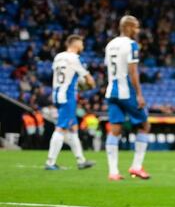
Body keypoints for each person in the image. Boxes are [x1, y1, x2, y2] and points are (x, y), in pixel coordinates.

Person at [104, 15, 151, 181]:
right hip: (126, 91)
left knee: (115, 129)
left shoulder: (110, 45)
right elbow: (132, 71)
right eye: (136, 27)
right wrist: (139, 94)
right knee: (144, 125)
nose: (138, 30)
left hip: (111, 91)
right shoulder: (131, 45)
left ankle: (113, 172)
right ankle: (136, 167)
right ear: (129, 27)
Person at [45, 34, 96, 170]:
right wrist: (90, 85)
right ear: (76, 44)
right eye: (82, 43)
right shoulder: (75, 58)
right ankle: (50, 162)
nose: (83, 46)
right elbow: (89, 79)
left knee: (73, 128)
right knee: (61, 127)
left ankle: (81, 160)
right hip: (67, 96)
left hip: (56, 94)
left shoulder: (58, 57)